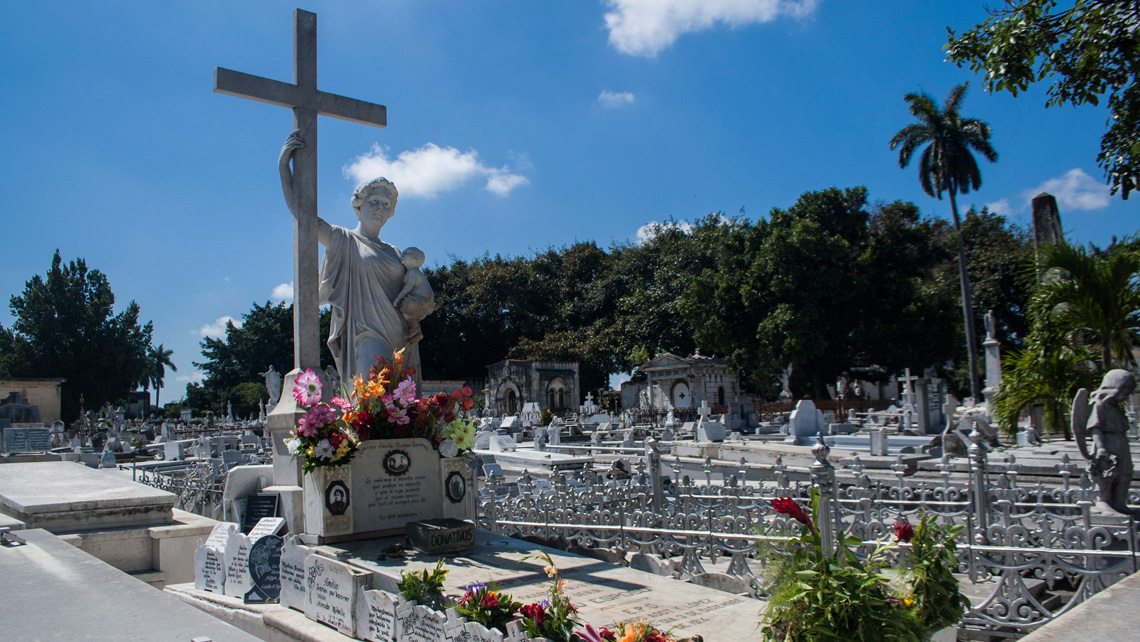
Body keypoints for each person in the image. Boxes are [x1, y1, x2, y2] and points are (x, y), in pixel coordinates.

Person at [279, 131, 434, 381]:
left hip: (402, 336)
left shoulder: (396, 252)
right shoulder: (344, 240)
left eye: (386, 203)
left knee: (404, 408)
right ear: (359, 206)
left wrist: (418, 308)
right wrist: (284, 168)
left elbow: (420, 291)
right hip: (366, 334)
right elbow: (305, 217)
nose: (380, 208)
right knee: (371, 397)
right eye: (374, 201)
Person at [1078, 369, 1137, 514]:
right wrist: (1101, 447)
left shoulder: (1116, 408)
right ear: (1114, 388)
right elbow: (1095, 427)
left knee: (1125, 474)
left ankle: (1119, 502)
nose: (1125, 397)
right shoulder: (1099, 404)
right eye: (1124, 393)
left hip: (1121, 443)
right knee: (1107, 475)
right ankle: (1103, 502)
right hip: (1106, 443)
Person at [392, 247, 434, 344]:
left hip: (423, 301)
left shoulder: (413, 272)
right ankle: (416, 331)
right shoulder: (410, 273)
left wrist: (398, 298)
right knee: (407, 311)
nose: (403, 255)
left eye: (407, 253)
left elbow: (408, 288)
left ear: (416, 258)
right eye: (403, 253)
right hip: (421, 301)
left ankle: (414, 328)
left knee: (406, 306)